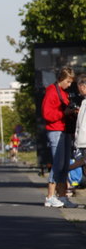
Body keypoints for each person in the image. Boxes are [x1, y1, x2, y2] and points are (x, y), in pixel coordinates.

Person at [42, 66, 78, 208]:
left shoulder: (62, 92)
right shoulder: (52, 92)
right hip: (56, 130)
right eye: (68, 82)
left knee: (64, 165)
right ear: (61, 79)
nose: (69, 85)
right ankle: (50, 196)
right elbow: (46, 114)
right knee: (58, 164)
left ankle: (62, 197)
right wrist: (64, 113)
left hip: (64, 130)